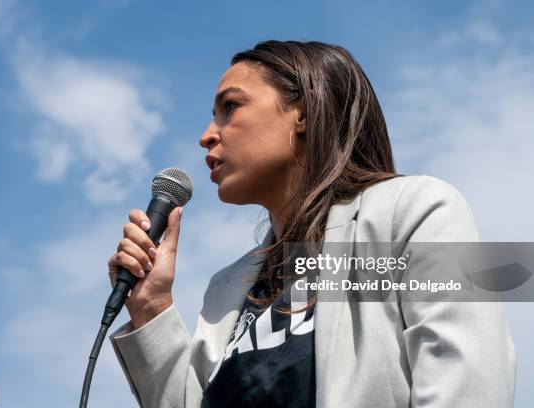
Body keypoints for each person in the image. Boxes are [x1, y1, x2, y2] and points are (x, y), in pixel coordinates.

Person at [106, 40, 516, 407]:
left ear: (302, 112)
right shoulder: (227, 288)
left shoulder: (414, 211)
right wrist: (150, 307)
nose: (206, 136)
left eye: (230, 107)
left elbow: (468, 385)